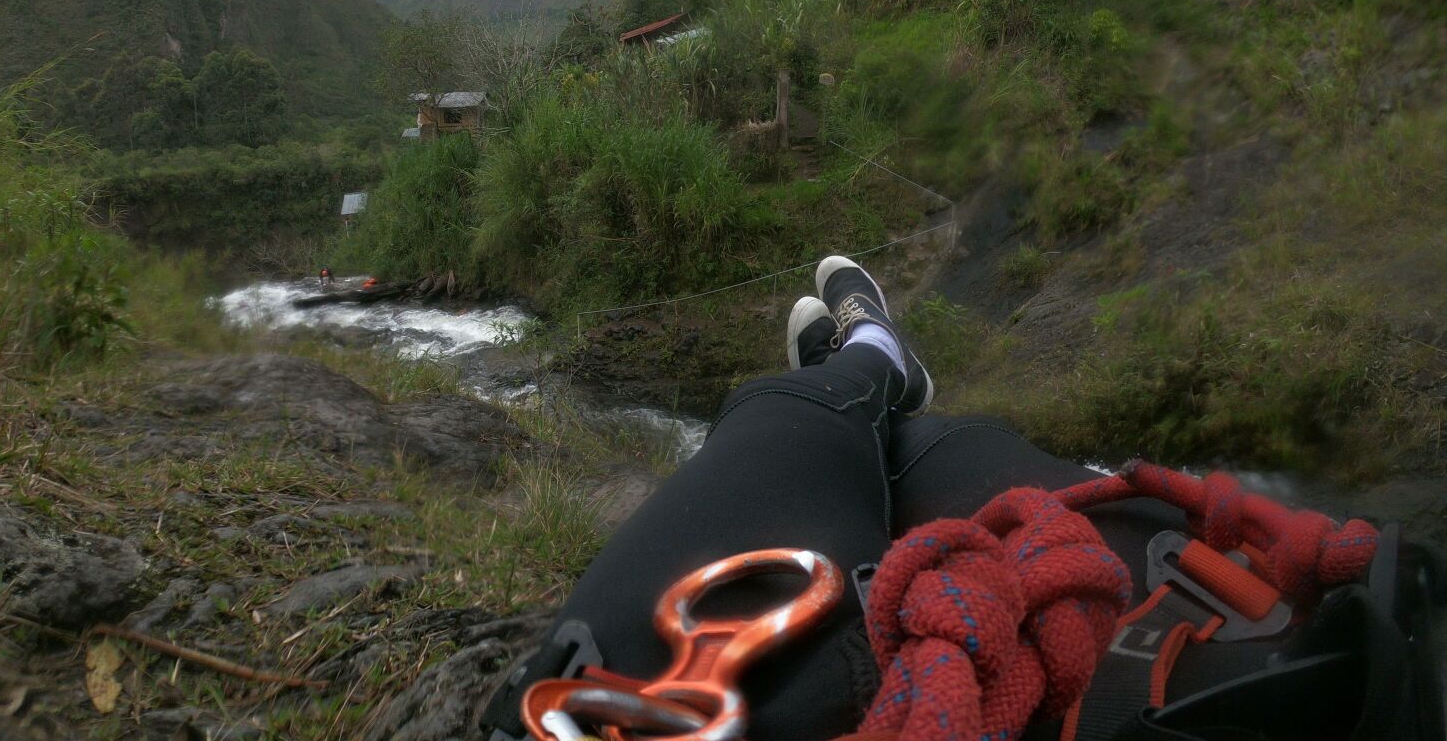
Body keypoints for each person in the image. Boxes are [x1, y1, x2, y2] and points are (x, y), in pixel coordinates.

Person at [483, 256, 1443, 741]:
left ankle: (863, 364)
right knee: (955, 456)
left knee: (799, 431)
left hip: (1182, 635)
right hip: (1214, 623)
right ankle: (873, 370)